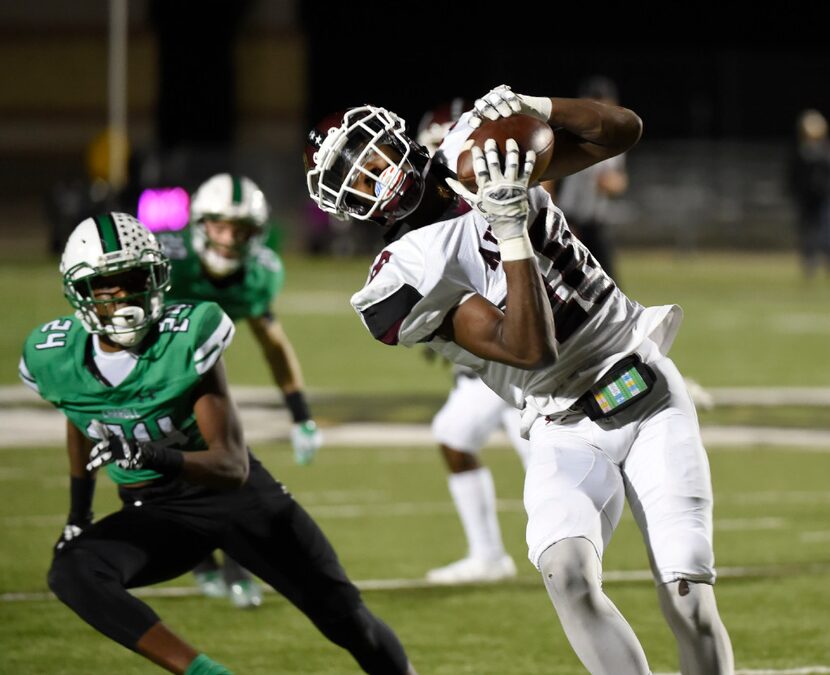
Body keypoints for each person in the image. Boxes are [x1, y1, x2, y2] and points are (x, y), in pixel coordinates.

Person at [304, 85, 734, 674]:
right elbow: (528, 349)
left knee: (687, 591)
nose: (372, 175)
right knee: (566, 574)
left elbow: (623, 130)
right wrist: (511, 231)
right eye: (353, 178)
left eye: (369, 156)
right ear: (346, 204)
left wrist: (540, 107)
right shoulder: (401, 275)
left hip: (641, 383)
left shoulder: (472, 151)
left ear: (392, 135)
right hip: (561, 421)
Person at [18, 213, 417, 675]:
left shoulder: (187, 334)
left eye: (132, 279)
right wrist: (77, 515)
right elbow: (78, 415)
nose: (123, 296)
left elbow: (231, 466)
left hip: (239, 501)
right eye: (106, 285)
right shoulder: (53, 358)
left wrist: (151, 455)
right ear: (80, 292)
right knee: (72, 570)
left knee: (349, 622)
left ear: (155, 277)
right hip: (157, 512)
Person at [158, 173, 324, 607]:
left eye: (241, 229)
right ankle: (200, 561)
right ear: (199, 223)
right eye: (220, 226)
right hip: (150, 373)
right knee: (169, 476)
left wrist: (301, 413)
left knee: (228, 470)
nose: (230, 239)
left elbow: (273, 344)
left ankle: (227, 566)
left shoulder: (259, 273)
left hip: (203, 375)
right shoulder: (167, 261)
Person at [416, 102, 530, 584]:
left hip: (523, 357)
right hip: (492, 362)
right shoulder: (441, 212)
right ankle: (488, 556)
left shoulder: (493, 203)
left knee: (562, 462)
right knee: (455, 435)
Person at [554, 75, 628, 282]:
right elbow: (547, 182)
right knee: (567, 283)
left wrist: (613, 184)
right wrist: (560, 222)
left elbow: (619, 182)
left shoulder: (616, 140)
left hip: (597, 224)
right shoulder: (569, 136)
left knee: (610, 286)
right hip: (570, 222)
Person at [787, 108, 830, 278]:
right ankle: (810, 262)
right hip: (806, 199)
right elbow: (793, 176)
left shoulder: (826, 151)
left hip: (824, 198)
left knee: (826, 231)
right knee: (808, 231)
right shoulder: (800, 152)